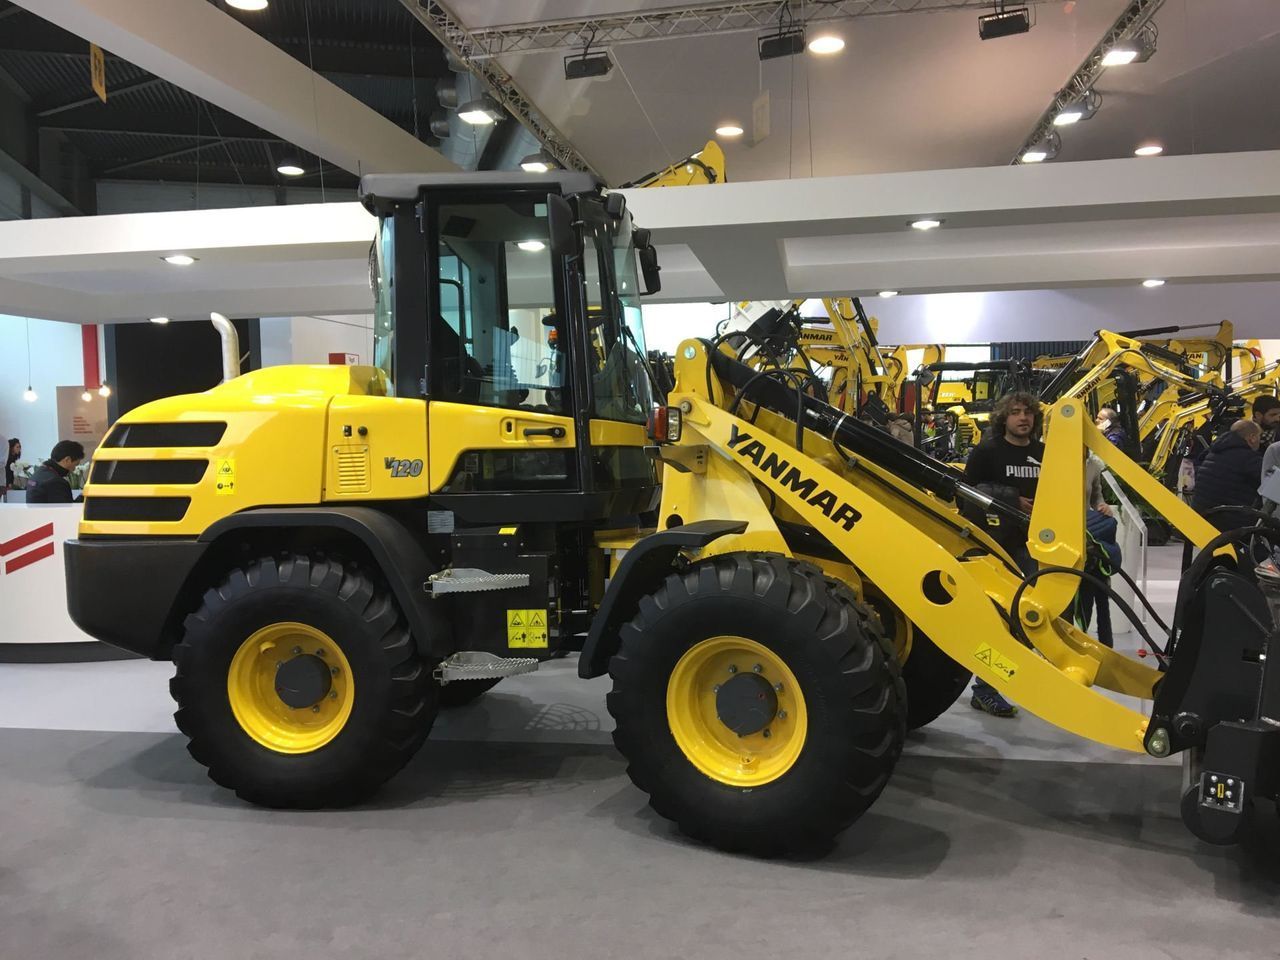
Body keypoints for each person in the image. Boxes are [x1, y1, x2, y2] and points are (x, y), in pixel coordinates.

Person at [963, 391, 1044, 718]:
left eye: (1028, 412)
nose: (1023, 418)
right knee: (998, 620)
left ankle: (1008, 677)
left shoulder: (1043, 453)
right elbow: (966, 496)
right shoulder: (987, 452)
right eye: (1015, 412)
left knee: (1030, 619)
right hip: (996, 549)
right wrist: (1012, 500)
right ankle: (984, 688)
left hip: (1035, 547)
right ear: (1004, 418)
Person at [1190, 419, 1263, 531]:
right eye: (1259, 437)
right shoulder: (1248, 458)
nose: (1260, 441)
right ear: (1252, 437)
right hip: (1229, 519)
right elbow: (1268, 480)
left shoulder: (1214, 451)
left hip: (1204, 514)